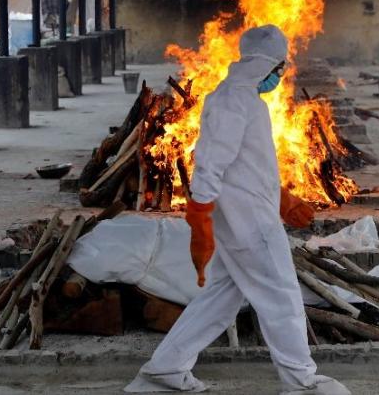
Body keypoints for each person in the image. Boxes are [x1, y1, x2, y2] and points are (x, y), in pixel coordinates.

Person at [125, 25, 350, 395]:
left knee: (220, 300)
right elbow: (211, 163)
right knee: (282, 298)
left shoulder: (243, 99)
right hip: (249, 223)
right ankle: (301, 382)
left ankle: (164, 371)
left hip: (247, 215)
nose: (281, 76)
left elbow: (247, 163)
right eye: (281, 68)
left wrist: (282, 198)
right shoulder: (234, 101)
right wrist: (199, 219)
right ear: (270, 65)